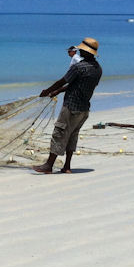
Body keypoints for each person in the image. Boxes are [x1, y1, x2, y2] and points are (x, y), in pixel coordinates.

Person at [33, 37, 102, 174]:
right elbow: (76, 84)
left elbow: (62, 81)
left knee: (59, 133)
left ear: (88, 52)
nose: (79, 51)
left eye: (82, 50)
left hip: (71, 106)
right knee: (72, 135)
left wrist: (47, 91)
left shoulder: (78, 67)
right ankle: (67, 166)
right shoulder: (97, 69)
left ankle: (48, 165)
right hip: (84, 109)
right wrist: (57, 91)